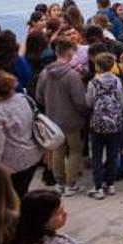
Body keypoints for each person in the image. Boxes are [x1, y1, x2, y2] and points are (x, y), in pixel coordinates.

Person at [36, 38, 90, 196]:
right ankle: (71, 184)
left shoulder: (45, 73)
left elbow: (39, 97)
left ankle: (59, 182)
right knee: (75, 150)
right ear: (70, 53)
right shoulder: (72, 75)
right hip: (72, 120)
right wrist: (85, 113)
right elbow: (80, 101)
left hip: (53, 119)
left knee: (58, 150)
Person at [0, 71, 43, 196]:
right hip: (33, 154)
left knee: (13, 197)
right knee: (22, 190)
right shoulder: (23, 99)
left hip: (13, 165)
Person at [85, 52, 123, 199]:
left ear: (97, 66)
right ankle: (111, 184)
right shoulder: (117, 81)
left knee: (96, 155)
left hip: (98, 123)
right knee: (112, 153)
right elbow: (121, 101)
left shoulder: (93, 83)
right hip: (114, 122)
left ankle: (98, 186)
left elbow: (88, 102)